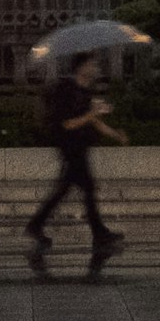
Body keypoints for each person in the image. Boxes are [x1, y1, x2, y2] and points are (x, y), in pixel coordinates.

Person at [28, 51, 123, 249]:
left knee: (69, 189)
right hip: (68, 146)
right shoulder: (66, 90)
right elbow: (68, 124)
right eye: (92, 65)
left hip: (79, 146)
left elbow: (94, 120)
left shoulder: (86, 91)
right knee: (83, 188)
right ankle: (99, 233)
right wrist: (92, 113)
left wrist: (115, 134)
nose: (96, 69)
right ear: (81, 68)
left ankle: (36, 225)